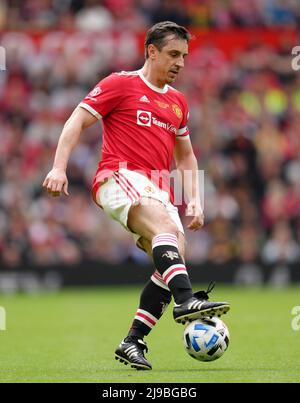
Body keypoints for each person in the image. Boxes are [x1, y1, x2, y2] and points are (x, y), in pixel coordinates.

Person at [42, 21, 230, 371]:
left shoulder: (178, 103)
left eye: (185, 57)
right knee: (165, 234)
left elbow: (185, 155)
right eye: (173, 54)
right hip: (119, 174)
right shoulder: (120, 84)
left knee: (174, 252)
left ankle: (133, 340)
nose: (180, 63)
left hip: (157, 185)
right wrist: (58, 167)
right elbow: (76, 121)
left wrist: (195, 199)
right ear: (151, 51)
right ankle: (186, 301)